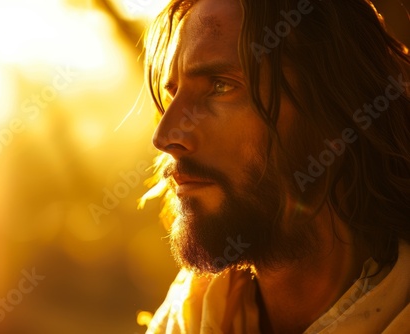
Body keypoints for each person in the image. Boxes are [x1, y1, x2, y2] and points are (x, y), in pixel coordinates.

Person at [141, 0, 410, 333]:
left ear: (337, 113)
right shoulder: (185, 318)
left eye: (221, 85)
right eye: (174, 92)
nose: (165, 136)